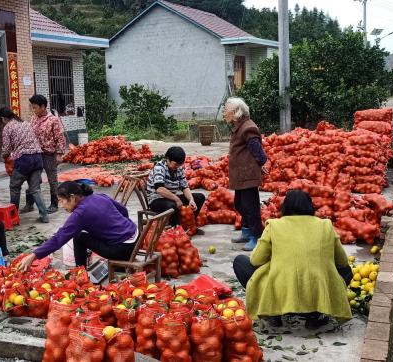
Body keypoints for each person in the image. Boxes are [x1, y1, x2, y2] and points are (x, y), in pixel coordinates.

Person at [232, 190, 353, 330]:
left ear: (285, 207)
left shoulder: (274, 225)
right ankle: (315, 314)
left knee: (241, 262)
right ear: (310, 206)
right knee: (347, 271)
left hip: (280, 290)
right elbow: (342, 262)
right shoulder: (325, 225)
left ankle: (273, 314)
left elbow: (256, 260)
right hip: (315, 290)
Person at [15, 181, 137, 272]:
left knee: (79, 237)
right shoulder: (99, 196)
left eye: (62, 201)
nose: (62, 206)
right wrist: (121, 228)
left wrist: (33, 255)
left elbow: (59, 238)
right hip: (136, 237)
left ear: (72, 198)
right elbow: (123, 211)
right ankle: (82, 271)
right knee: (84, 234)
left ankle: (80, 273)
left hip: (123, 249)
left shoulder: (80, 214)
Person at [223, 97, 267, 251]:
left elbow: (258, 151)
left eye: (226, 109)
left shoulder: (248, 127)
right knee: (240, 204)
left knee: (251, 207)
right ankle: (246, 232)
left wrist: (260, 164)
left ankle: (256, 236)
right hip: (242, 175)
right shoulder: (239, 126)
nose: (224, 112)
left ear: (236, 112)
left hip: (248, 175)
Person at [0, 107, 49, 223]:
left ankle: (13, 216)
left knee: (15, 187)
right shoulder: (25, 123)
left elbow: (6, 149)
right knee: (35, 189)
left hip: (24, 160)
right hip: (37, 158)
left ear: (3, 118)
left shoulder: (7, 127)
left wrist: (4, 157)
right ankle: (44, 216)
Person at [21, 94, 66, 215]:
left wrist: (59, 154)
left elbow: (60, 138)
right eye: (32, 107)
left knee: (52, 179)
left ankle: (54, 204)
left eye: (35, 107)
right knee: (32, 178)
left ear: (43, 107)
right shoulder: (34, 118)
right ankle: (30, 204)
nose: (33, 110)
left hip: (49, 154)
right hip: (35, 154)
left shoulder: (53, 120)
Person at [146, 146, 206, 231]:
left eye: (179, 165)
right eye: (175, 164)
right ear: (167, 159)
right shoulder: (159, 168)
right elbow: (159, 189)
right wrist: (176, 199)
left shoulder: (179, 169)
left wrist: (191, 200)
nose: (177, 167)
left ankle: (191, 225)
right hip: (156, 200)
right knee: (172, 206)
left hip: (171, 198)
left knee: (199, 197)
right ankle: (175, 229)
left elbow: (184, 187)